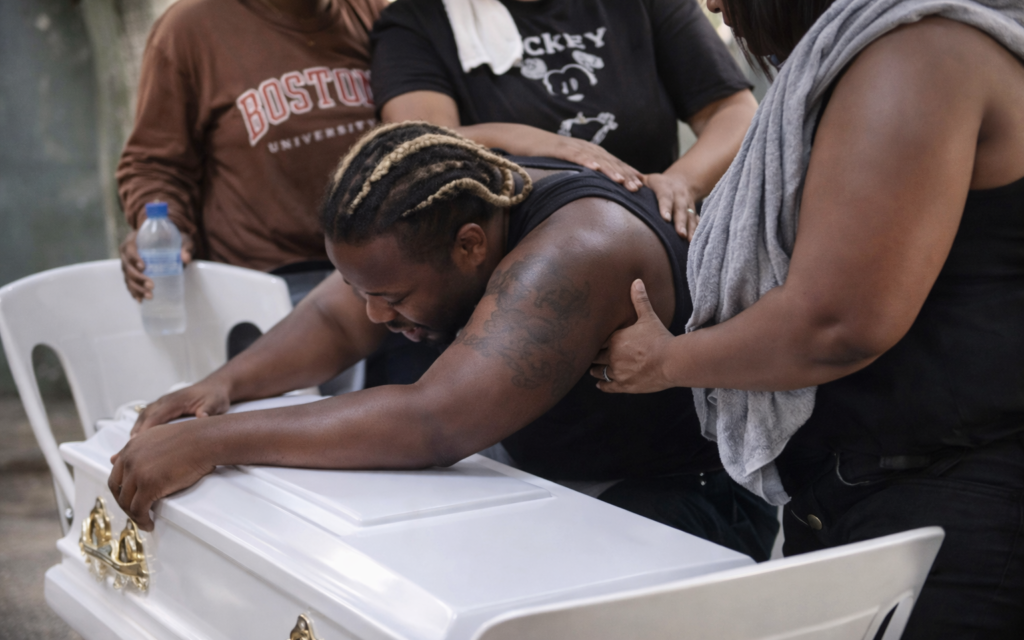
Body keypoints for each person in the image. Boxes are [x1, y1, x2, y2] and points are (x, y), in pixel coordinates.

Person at [110, 122, 779, 561]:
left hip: (687, 504)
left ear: (470, 246)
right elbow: (336, 321)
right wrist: (220, 386)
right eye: (363, 289)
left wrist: (210, 442)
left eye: (393, 297)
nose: (374, 314)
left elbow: (436, 420)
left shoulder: (580, 247)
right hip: (563, 479)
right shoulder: (446, 210)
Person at [594, 0, 1024, 636]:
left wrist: (665, 361)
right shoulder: (895, 44)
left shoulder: (917, 46)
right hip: (869, 492)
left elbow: (836, 323)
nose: (716, 4)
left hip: (953, 506)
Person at [371, 0, 758, 238]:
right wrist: (544, 144)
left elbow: (732, 109)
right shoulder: (414, 21)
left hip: (657, 229)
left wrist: (681, 184)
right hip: (526, 248)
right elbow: (417, 147)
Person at [116, 0, 385, 306]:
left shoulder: (375, 15)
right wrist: (167, 230)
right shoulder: (191, 29)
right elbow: (154, 164)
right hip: (265, 281)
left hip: (377, 272)